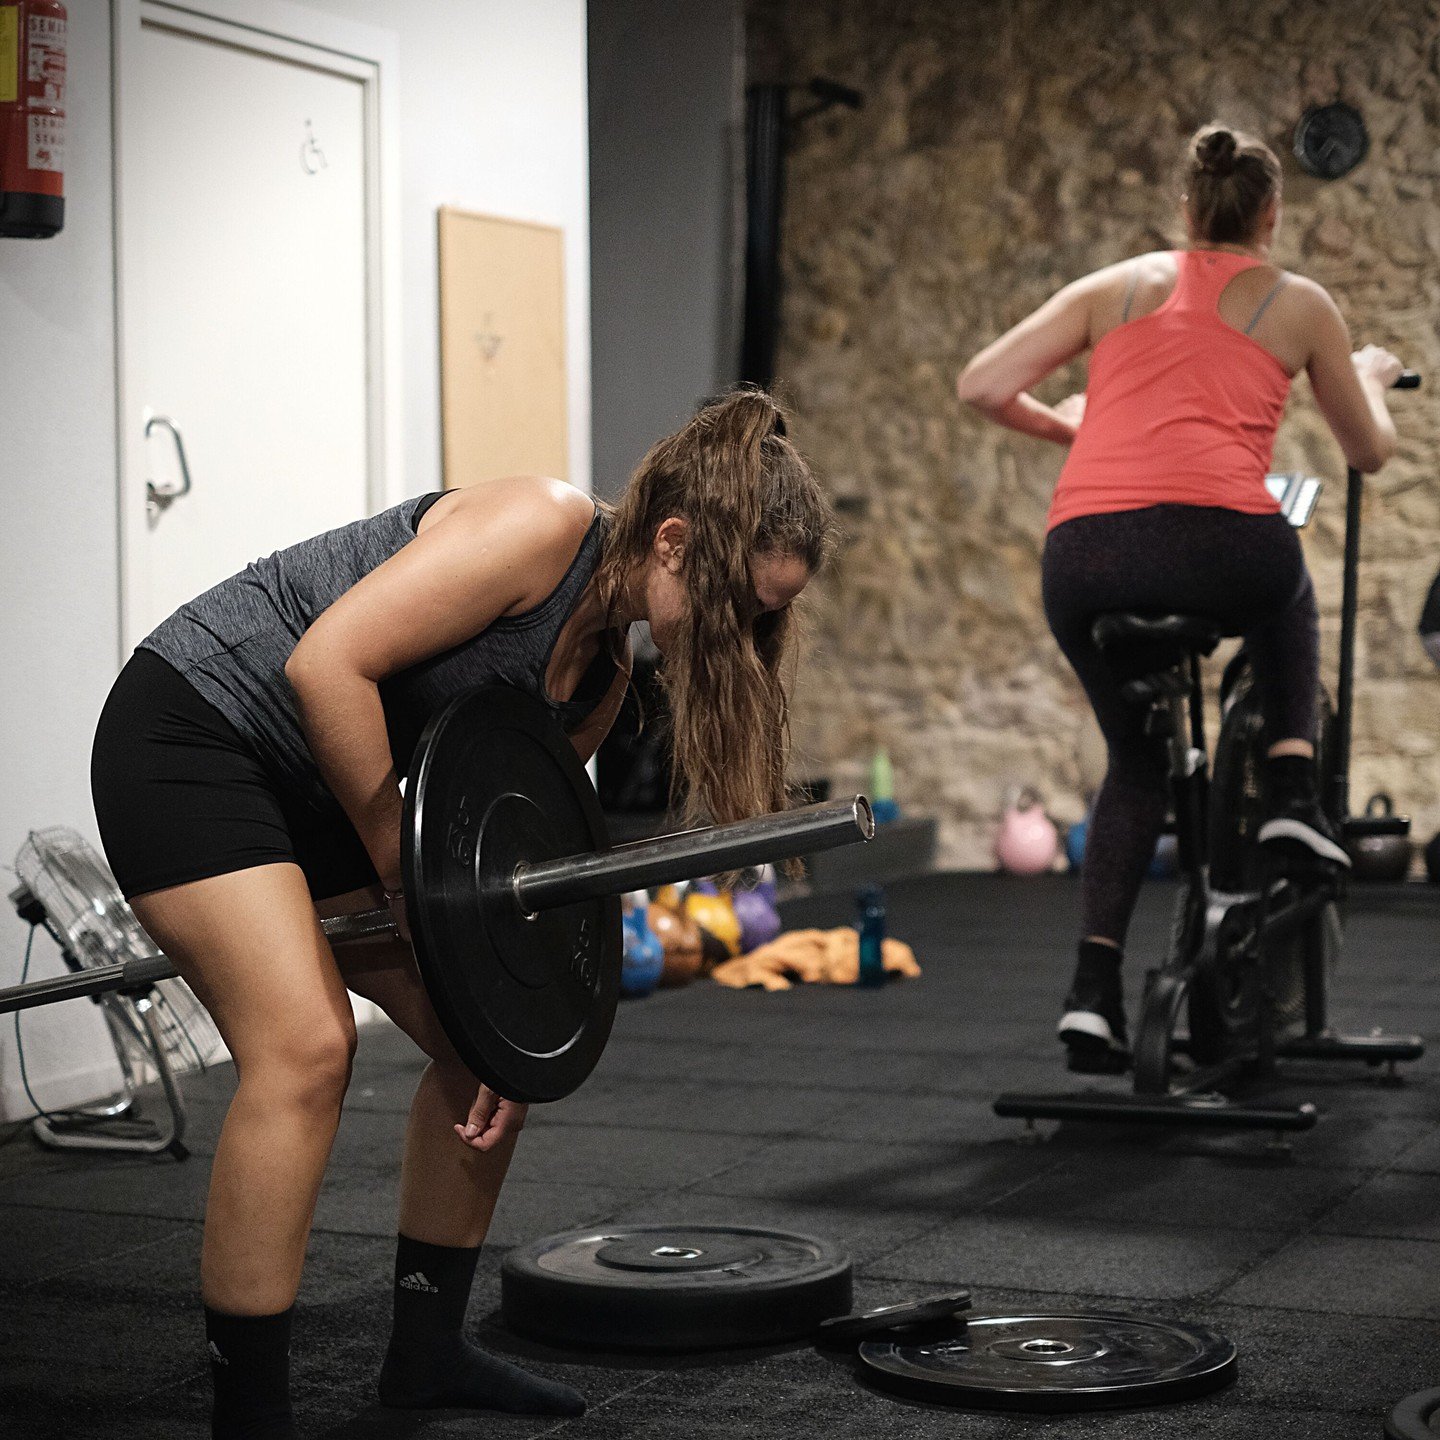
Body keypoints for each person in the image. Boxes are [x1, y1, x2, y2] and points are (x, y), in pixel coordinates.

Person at [90, 389, 835, 1439]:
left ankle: (427, 1353)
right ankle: (248, 1414)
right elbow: (325, 665)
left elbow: (493, 831)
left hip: (334, 788)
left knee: (490, 1053)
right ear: (673, 541)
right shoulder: (539, 527)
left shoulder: (600, 686)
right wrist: (400, 871)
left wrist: (499, 980)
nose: (744, 635)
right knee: (306, 1050)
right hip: (196, 733)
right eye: (740, 606)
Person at [955, 123, 1404, 1074]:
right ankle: (1292, 787)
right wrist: (1366, 375)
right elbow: (1368, 451)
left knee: (1135, 761)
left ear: (1185, 207)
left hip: (1086, 558)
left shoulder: (1113, 287)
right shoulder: (1300, 302)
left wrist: (1069, 431)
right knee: (1285, 579)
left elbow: (981, 385)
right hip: (1221, 546)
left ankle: (1093, 994)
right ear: (1270, 214)